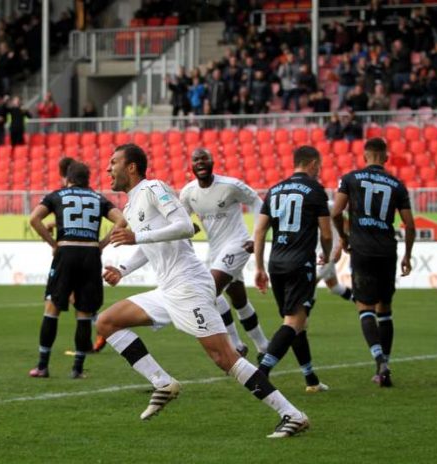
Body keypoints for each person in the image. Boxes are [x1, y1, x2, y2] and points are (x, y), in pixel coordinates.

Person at [97, 144, 309, 438]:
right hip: (168, 289)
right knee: (107, 321)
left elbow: (184, 226)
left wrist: (137, 236)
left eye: (113, 162)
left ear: (131, 167)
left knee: (225, 358)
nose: (108, 168)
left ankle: (292, 415)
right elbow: (148, 245)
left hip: (188, 285)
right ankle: (162, 383)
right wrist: (123, 269)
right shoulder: (132, 205)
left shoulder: (154, 188)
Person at [28, 162, 126, 379]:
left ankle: (42, 367)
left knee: (52, 309)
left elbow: (34, 219)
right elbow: (122, 220)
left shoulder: (57, 195)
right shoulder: (98, 198)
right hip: (90, 255)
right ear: (87, 179)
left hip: (66, 252)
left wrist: (53, 244)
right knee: (84, 313)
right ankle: (77, 369)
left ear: (67, 179)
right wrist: (101, 244)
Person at [331, 138, 416, 387]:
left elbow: (336, 212)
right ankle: (385, 365)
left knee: (364, 306)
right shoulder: (397, 185)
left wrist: (345, 237)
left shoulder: (350, 178)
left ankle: (378, 357)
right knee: (385, 309)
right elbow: (410, 225)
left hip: (362, 250)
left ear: (365, 156)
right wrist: (408, 256)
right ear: (386, 158)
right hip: (387, 251)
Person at [254, 146, 332, 393]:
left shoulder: (274, 190)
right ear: (311, 164)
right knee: (294, 322)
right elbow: (327, 233)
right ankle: (261, 372)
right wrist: (327, 255)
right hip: (301, 264)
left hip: (276, 264)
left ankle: (311, 379)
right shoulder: (316, 190)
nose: (318, 171)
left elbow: (259, 230)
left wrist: (258, 266)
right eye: (318, 166)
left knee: (297, 323)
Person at [179, 148, 270, 358]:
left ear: (212, 162)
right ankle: (264, 347)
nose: (200, 162)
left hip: (238, 244)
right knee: (238, 299)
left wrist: (256, 236)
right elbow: (181, 220)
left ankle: (235, 345)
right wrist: (188, 229)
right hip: (216, 250)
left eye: (204, 159)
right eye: (196, 160)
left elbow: (257, 201)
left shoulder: (230, 186)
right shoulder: (188, 193)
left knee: (209, 291)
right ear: (191, 165)